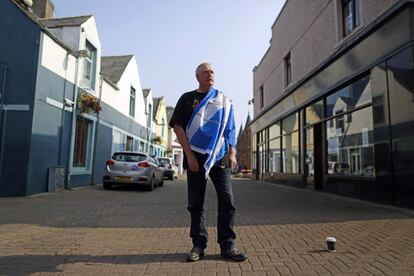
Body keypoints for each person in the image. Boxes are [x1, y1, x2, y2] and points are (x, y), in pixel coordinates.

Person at [169, 62, 247, 262]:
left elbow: (229, 129)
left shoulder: (223, 100)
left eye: (212, 71)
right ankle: (198, 244)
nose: (210, 74)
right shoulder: (187, 99)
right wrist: (189, 155)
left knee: (227, 200)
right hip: (196, 156)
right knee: (196, 203)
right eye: (205, 72)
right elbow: (178, 127)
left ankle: (228, 244)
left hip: (219, 156)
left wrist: (233, 152)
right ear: (197, 76)